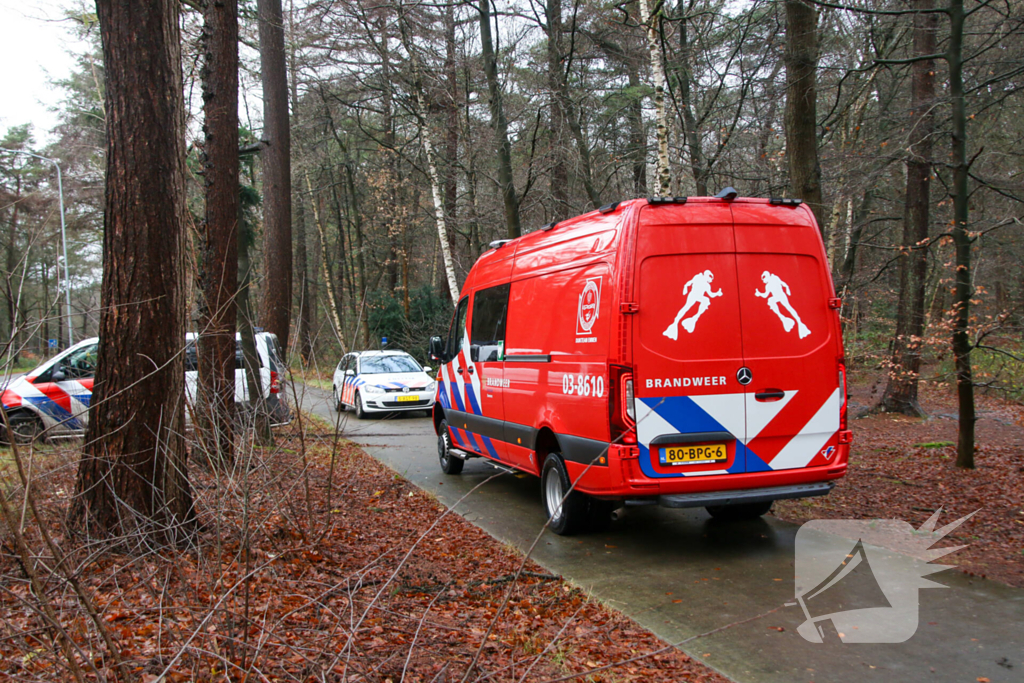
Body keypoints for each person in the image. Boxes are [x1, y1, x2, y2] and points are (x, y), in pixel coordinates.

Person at [663, 270, 722, 339]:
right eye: (710, 278)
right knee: (686, 308)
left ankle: (694, 319)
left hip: (698, 296)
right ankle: (675, 323)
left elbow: (711, 295)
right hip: (693, 295)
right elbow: (690, 283)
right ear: (706, 276)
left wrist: (717, 293)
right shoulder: (698, 277)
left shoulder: (706, 285)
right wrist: (685, 288)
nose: (711, 280)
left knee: (706, 300)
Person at [755, 271, 811, 339]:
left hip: (781, 296)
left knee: (789, 308)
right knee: (771, 301)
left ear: (767, 277)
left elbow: (783, 284)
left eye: (763, 279)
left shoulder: (774, 279)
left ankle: (799, 323)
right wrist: (760, 294)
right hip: (777, 297)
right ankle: (783, 319)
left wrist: (788, 289)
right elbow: (765, 295)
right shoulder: (768, 285)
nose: (763, 281)